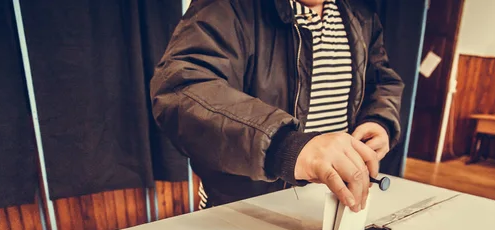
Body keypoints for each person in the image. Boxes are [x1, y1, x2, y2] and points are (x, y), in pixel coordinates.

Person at [151, 0, 403, 213]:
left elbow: (382, 81)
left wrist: (378, 121)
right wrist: (287, 147)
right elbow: (181, 90)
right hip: (244, 210)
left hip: (328, 206)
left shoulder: (361, 15)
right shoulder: (230, 6)